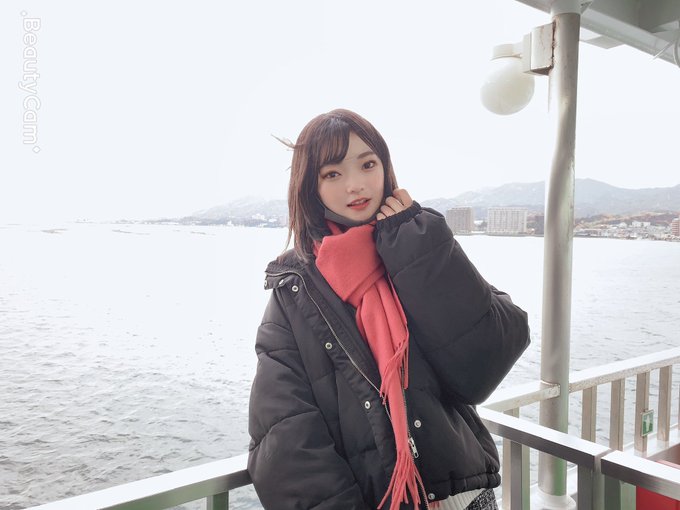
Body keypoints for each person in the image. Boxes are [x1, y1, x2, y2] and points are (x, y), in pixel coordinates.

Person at [248, 109, 530, 510]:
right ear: (311, 187)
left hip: (468, 498)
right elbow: (286, 437)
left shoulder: (417, 241)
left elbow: (483, 368)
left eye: (367, 164)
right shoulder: (295, 290)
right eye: (333, 173)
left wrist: (419, 247)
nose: (356, 184)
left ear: (385, 167)